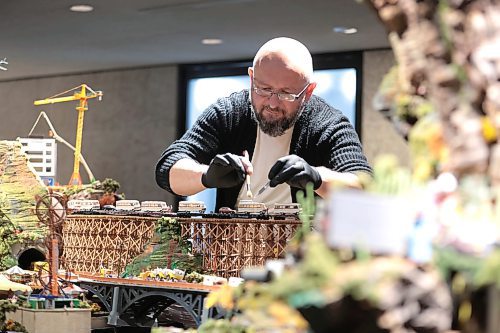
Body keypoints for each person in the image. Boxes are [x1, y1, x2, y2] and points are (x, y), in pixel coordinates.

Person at [156, 37, 371, 210]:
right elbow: (168, 170)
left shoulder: (328, 124)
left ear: (308, 91)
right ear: (251, 78)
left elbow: (366, 189)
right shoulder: (229, 114)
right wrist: (206, 176)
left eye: (286, 93)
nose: (273, 103)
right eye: (264, 89)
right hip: (233, 250)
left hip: (304, 255)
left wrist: (317, 178)